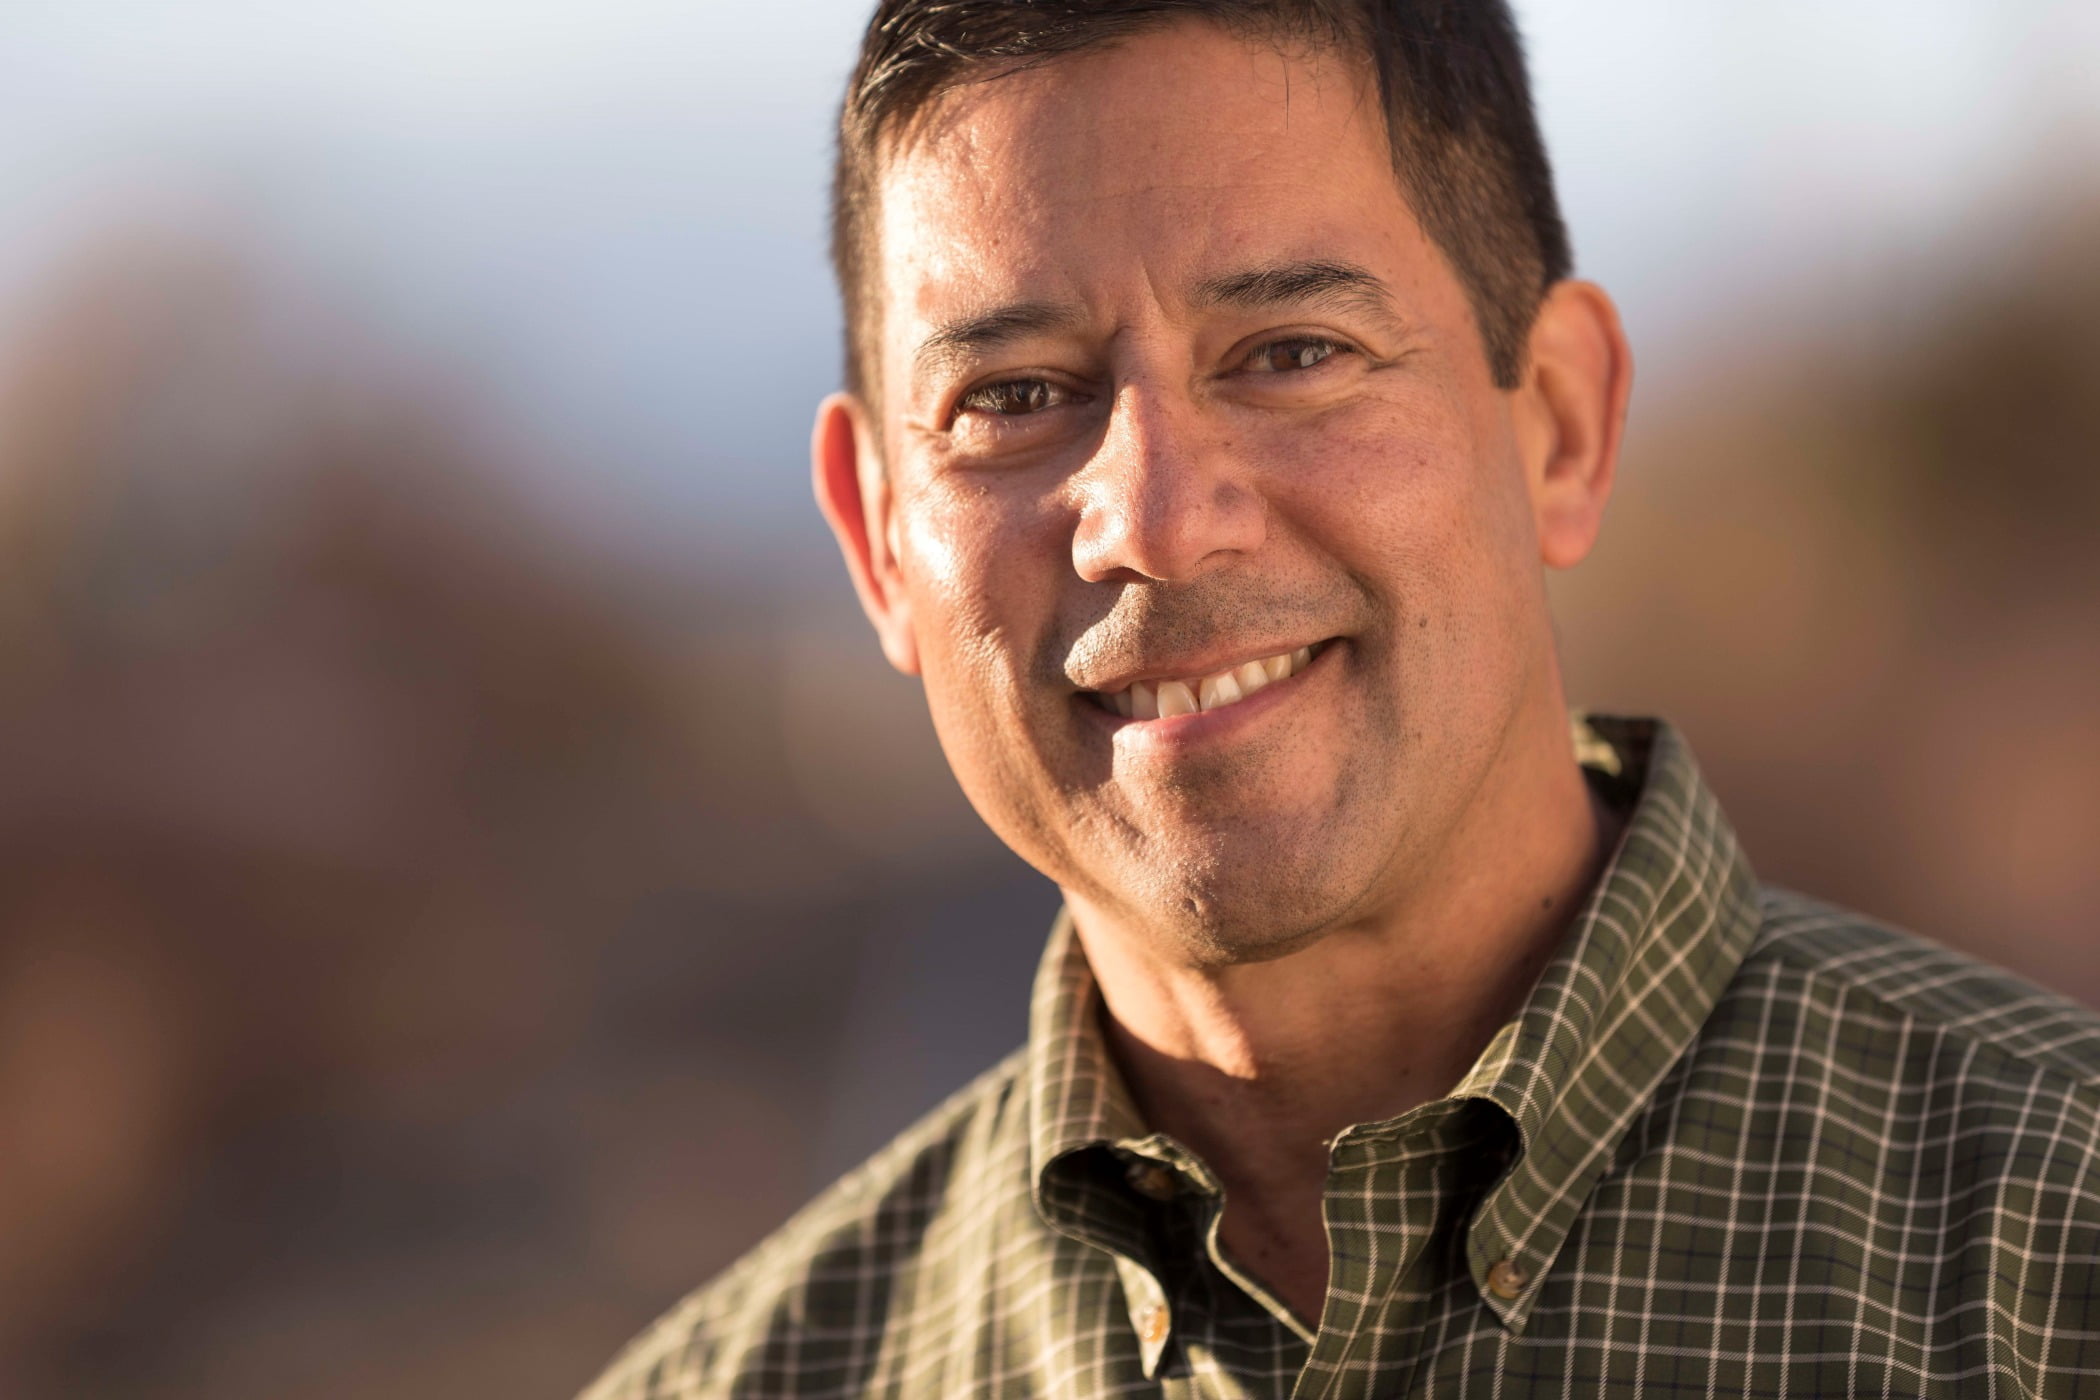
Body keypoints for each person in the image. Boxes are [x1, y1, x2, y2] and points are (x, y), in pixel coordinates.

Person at [582, 1, 2100, 1395]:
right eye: (1018, 398)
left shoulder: (2055, 1256)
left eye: (1292, 352)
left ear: (1560, 425)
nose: (1156, 519)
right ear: (876, 538)